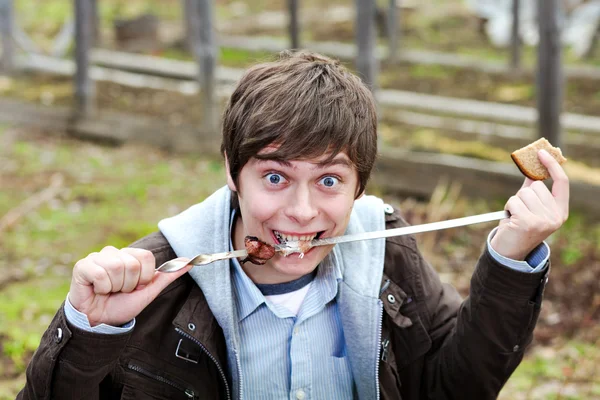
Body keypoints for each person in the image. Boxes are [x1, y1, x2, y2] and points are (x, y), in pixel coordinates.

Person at [18, 51, 569, 400]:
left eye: (329, 181)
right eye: (276, 178)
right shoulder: (154, 282)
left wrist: (511, 257)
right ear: (233, 174)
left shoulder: (390, 258)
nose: (303, 212)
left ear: (360, 187)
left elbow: (455, 388)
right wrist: (85, 331)